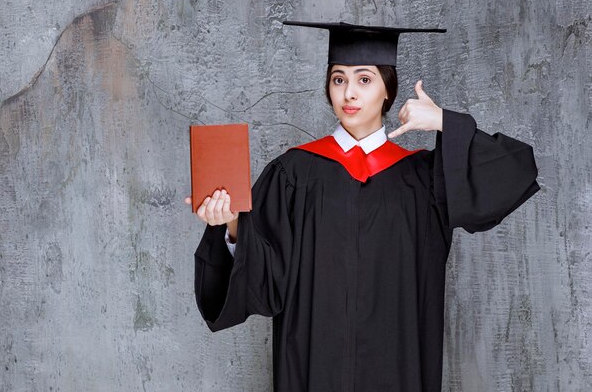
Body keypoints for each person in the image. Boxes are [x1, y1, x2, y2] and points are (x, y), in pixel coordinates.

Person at [185, 21, 540, 392]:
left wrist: (443, 122)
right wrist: (232, 226)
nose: (349, 93)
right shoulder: (294, 173)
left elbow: (514, 171)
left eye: (364, 80)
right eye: (338, 80)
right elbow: (266, 280)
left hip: (398, 370)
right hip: (313, 370)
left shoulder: (423, 180)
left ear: (388, 89)